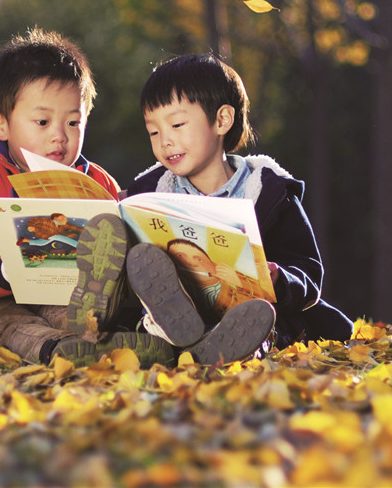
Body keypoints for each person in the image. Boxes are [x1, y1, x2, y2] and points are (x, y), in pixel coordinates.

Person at [0, 28, 174, 368]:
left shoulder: (97, 181)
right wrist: (8, 269)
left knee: (82, 313)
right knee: (9, 328)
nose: (59, 136)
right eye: (43, 121)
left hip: (66, 294)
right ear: (1, 124)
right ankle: (58, 351)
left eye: (74, 122)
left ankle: (116, 341)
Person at [125, 53, 354, 360]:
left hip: (254, 315)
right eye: (154, 131)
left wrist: (280, 280)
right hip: (178, 313)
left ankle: (237, 346)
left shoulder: (269, 193)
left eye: (177, 124)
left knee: (260, 317)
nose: (164, 141)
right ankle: (173, 338)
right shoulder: (148, 193)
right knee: (155, 303)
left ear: (222, 120)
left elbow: (309, 274)